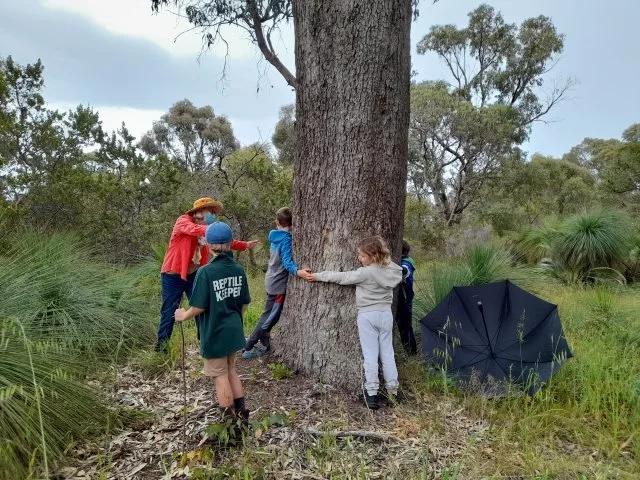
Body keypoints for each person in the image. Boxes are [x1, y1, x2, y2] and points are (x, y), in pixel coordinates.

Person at [305, 236, 403, 410]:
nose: (359, 259)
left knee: (370, 355)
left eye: (362, 256)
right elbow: (403, 271)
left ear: (373, 256)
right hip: (386, 314)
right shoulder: (392, 270)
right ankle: (393, 391)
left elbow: (342, 277)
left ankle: (372, 394)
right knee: (387, 353)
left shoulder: (365, 272)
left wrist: (318, 276)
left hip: (367, 315)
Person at [174, 221, 251, 429]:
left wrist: (183, 315)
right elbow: (244, 302)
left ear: (208, 244)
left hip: (214, 332)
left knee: (220, 376)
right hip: (234, 330)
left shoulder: (206, 272)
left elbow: (198, 307)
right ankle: (243, 417)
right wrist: (233, 316)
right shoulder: (238, 269)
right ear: (229, 243)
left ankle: (228, 425)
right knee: (231, 369)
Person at [156, 197, 258, 352]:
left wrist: (245, 245)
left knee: (200, 307)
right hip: (173, 274)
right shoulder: (183, 221)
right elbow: (197, 231)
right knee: (169, 310)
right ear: (198, 212)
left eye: (214, 212)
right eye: (210, 211)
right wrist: (214, 229)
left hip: (194, 274)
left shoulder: (207, 228)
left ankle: (204, 342)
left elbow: (222, 240)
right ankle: (161, 349)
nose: (213, 214)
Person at [243, 207, 307, 359]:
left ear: (276, 222)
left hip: (271, 279)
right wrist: (298, 272)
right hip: (277, 285)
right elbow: (286, 261)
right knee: (270, 316)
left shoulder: (274, 236)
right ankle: (249, 346)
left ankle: (265, 342)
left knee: (270, 314)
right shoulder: (286, 239)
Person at [397, 240, 417, 355]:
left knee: (405, 325)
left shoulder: (406, 262)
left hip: (404, 298)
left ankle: (410, 352)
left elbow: (405, 271)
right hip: (403, 297)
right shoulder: (405, 260)